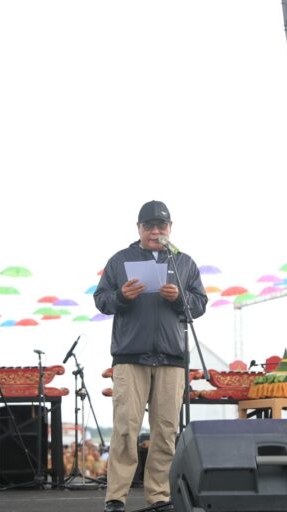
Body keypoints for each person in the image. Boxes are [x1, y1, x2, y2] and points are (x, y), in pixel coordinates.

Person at [94, 200, 208, 512]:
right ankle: (116, 496)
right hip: (130, 357)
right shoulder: (120, 260)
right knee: (125, 427)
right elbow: (101, 299)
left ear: (170, 228)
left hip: (172, 358)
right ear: (139, 229)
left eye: (161, 225)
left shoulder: (184, 262)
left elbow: (199, 304)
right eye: (149, 226)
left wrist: (180, 298)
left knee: (166, 430)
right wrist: (121, 296)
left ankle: (159, 495)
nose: (155, 231)